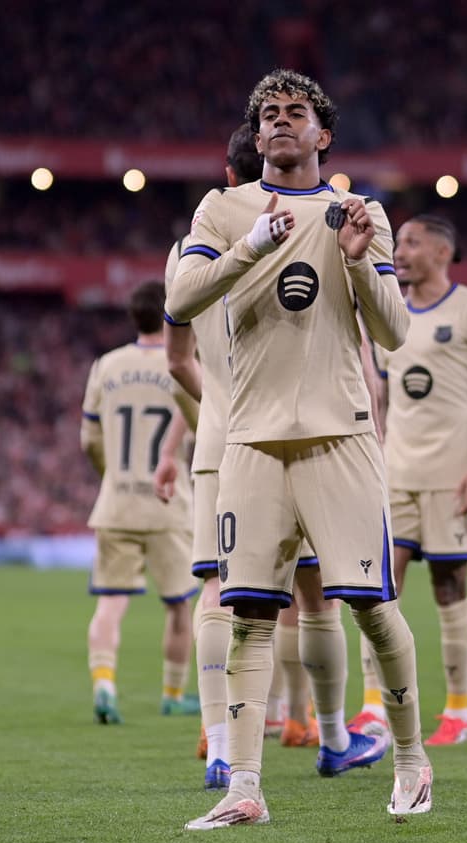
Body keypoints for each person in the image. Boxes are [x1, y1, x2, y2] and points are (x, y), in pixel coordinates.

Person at [166, 68, 430, 828]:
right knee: (249, 615)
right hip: (250, 439)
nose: (281, 122)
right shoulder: (221, 209)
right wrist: (248, 245)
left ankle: (412, 763)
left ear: (325, 134)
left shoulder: (359, 211)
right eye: (268, 115)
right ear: (255, 137)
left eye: (296, 112)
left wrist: (353, 255)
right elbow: (179, 302)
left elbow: (393, 330)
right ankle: (244, 788)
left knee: (372, 606)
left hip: (340, 434)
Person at [158, 123, 352, 792]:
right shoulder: (311, 227)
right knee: (313, 596)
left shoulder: (189, 245)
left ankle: (219, 741)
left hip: (222, 437)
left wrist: (222, 403)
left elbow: (177, 357)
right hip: (303, 430)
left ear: (224, 170)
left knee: (219, 590)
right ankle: (326, 733)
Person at [361, 213, 467, 747]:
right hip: (395, 474)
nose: (398, 251)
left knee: (449, 589)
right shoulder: (389, 313)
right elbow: (377, 393)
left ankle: (458, 713)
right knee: (376, 590)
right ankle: (373, 709)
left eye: (411, 242)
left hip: (452, 478)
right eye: (397, 242)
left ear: (442, 252)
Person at [80, 280, 198, 725]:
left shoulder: (107, 365)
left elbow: (88, 437)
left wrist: (110, 475)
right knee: (179, 605)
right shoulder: (184, 363)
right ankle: (172, 692)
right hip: (169, 502)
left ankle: (104, 684)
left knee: (110, 603)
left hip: (117, 503)